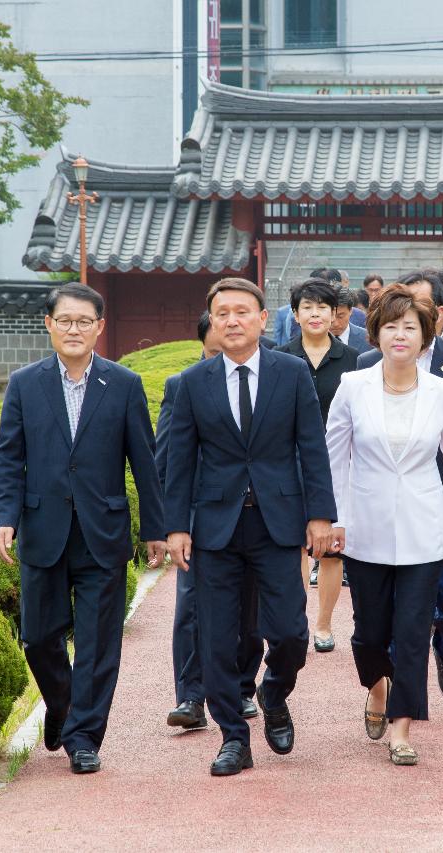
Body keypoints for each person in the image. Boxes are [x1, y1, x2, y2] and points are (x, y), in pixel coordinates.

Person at [163, 277, 337, 777]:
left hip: (277, 523)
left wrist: (320, 514)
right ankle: (234, 738)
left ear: (264, 320)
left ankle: (275, 692)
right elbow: (181, 460)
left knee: (289, 632)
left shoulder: (291, 373)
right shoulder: (192, 383)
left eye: (243, 312)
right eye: (223, 314)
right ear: (212, 324)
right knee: (217, 637)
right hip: (213, 527)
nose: (233, 321)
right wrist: (176, 526)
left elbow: (312, 447)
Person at [0, 282, 167, 775]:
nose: (74, 329)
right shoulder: (24, 383)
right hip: (43, 530)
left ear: (99, 328)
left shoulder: (124, 384)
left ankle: (84, 737)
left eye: (84, 321)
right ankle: (63, 705)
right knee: (39, 637)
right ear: (48, 324)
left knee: (97, 643)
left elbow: (144, 462)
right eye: (64, 320)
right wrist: (4, 517)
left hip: (102, 533)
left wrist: (155, 529)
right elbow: (9, 457)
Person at [326, 284, 443, 766]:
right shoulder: (353, 387)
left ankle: (401, 726)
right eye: (391, 326)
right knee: (369, 632)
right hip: (365, 526)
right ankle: (376, 688)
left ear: (424, 336)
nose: (399, 335)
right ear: (376, 333)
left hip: (426, 528)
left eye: (409, 327)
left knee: (414, 631)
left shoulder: (442, 393)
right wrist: (335, 518)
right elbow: (334, 457)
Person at [356, 285, 443, 702]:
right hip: (383, 507)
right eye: (393, 323)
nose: (401, 332)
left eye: (414, 319)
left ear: (435, 315)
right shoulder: (363, 369)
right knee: (396, 610)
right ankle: (395, 689)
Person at [157, 311, 263, 731]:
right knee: (191, 606)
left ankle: (241, 686)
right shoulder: (184, 384)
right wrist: (171, 521)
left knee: (247, 607)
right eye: (215, 349)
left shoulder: (269, 379)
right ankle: (191, 695)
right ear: (206, 341)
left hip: (253, 513)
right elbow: (165, 457)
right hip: (201, 515)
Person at [277, 278, 361, 652]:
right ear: (296, 315)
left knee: (330, 549)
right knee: (294, 545)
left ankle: (324, 625)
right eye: (307, 307)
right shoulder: (278, 358)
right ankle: (296, 620)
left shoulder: (355, 361)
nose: (315, 314)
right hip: (285, 465)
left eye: (322, 308)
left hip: (336, 467)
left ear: (335, 315)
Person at [330, 284, 370, 353]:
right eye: (330, 316)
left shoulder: (368, 340)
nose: (336, 324)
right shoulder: (311, 339)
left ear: (351, 311)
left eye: (340, 316)